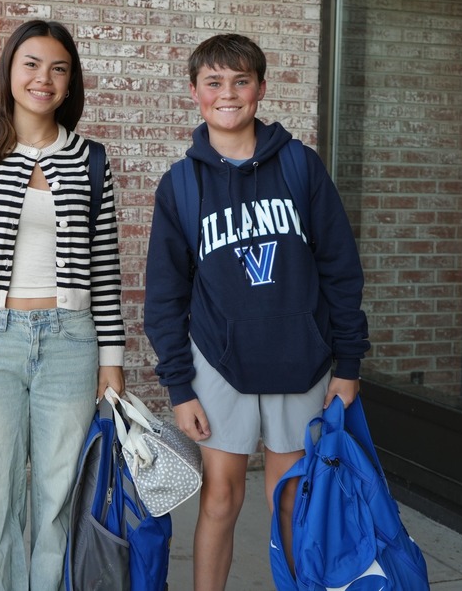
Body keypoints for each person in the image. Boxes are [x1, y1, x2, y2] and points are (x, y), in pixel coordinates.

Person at [143, 33, 370, 590]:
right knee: (221, 495)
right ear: (195, 92)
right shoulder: (182, 185)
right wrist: (179, 385)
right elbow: (165, 296)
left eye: (241, 81)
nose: (228, 94)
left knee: (290, 494)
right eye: (214, 82)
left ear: (261, 89)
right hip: (220, 363)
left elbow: (341, 270)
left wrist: (348, 365)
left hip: (301, 359)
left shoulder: (300, 167)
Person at [0, 19, 126, 591]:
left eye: (59, 68)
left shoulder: (90, 161)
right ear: (9, 71)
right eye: (31, 64)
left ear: (71, 82)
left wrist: (113, 358)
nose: (44, 78)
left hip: (71, 343)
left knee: (57, 503)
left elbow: (104, 268)